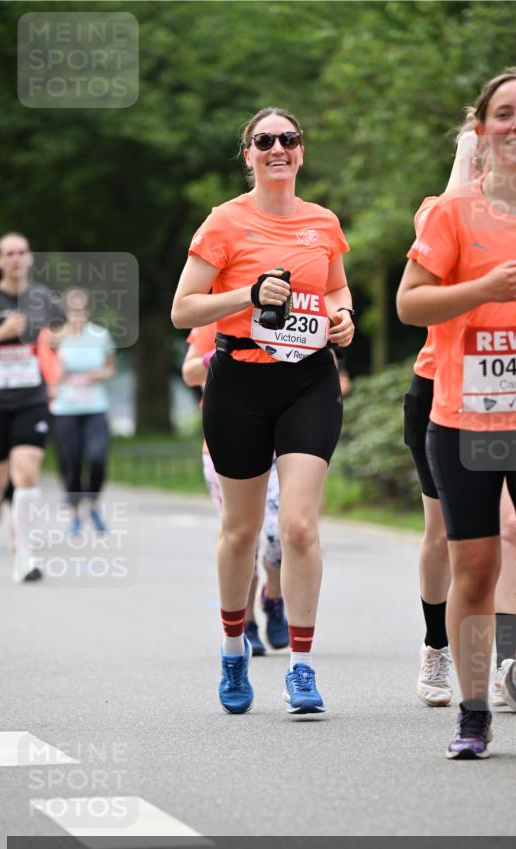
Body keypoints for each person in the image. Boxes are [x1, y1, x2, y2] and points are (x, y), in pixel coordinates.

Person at [397, 68, 516, 760]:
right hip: (463, 417)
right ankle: (473, 712)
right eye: (503, 113)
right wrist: (481, 289)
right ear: (481, 129)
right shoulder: (451, 213)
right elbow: (409, 303)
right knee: (472, 568)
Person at [172, 107, 354, 715]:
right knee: (242, 531)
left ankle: (301, 667)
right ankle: (233, 648)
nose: (278, 148)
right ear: (248, 154)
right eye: (265, 140)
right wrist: (247, 296)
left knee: (298, 527)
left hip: (308, 380)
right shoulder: (224, 221)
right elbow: (183, 309)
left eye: (289, 139)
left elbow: (336, 287)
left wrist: (343, 315)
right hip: (239, 383)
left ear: (301, 151)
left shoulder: (323, 222)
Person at [406, 130, 516, 709]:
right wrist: (462, 153)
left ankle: (507, 663)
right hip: (439, 387)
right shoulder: (439, 210)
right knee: (443, 535)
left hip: (509, 388)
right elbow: (448, 215)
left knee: (508, 529)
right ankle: (436, 645)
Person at [181, 321, 289, 655]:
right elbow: (189, 373)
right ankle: (248, 622)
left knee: (278, 533)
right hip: (225, 443)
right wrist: (217, 354)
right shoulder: (212, 318)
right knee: (244, 539)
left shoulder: (286, 310)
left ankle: (274, 597)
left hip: (280, 444)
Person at [0, 232, 65, 582]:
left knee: (27, 474)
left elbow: (60, 333)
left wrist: (58, 340)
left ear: (30, 257)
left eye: (22, 252)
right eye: (9, 253)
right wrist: (2, 332)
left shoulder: (42, 298)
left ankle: (25, 556)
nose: (16, 258)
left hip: (31, 399)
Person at [47, 287, 115, 535]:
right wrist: (58, 371)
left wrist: (100, 374)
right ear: (64, 311)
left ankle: (93, 503)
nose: (78, 313)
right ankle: (75, 514)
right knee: (72, 462)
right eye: (73, 309)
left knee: (98, 458)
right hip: (65, 408)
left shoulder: (100, 335)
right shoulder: (54, 338)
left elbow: (110, 367)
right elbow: (45, 369)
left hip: (95, 407)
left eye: (82, 308)